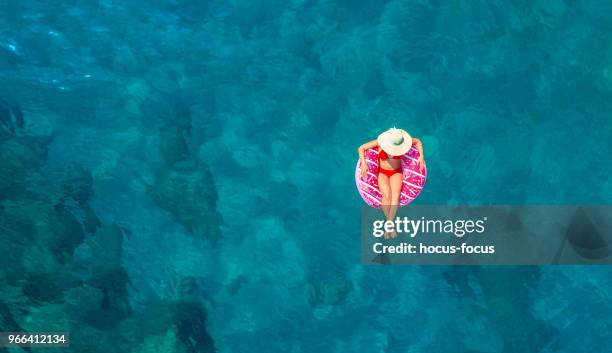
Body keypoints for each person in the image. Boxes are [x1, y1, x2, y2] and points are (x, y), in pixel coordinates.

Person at [357, 127, 425, 238]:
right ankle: (390, 226)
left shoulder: (403, 143)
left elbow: (417, 141)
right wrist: (364, 163)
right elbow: (361, 148)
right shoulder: (380, 142)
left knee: (396, 196)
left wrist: (421, 156)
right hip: (382, 172)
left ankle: (388, 225)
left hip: (396, 172)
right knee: (386, 195)